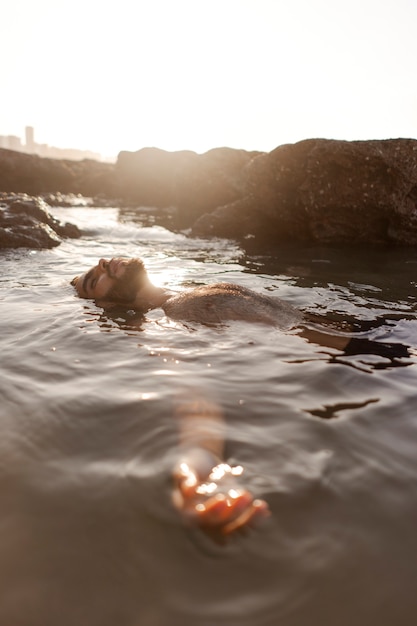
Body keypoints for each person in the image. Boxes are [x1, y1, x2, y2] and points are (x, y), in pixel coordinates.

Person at [71, 257, 410, 538]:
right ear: (104, 303)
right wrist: (201, 465)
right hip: (371, 362)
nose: (102, 263)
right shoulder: (172, 323)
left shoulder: (183, 293)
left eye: (97, 267)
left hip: (376, 327)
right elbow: (193, 393)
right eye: (93, 279)